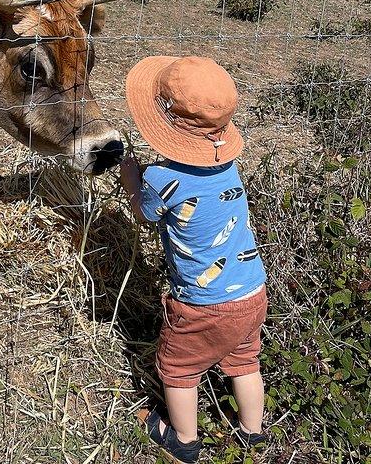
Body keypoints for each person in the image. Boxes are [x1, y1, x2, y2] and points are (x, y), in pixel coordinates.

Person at [119, 56, 269, 464]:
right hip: (253, 290)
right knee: (244, 360)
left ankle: (183, 441)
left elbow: (145, 212)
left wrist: (133, 179)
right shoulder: (229, 166)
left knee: (179, 367)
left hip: (203, 303)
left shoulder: (161, 180)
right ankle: (253, 434)